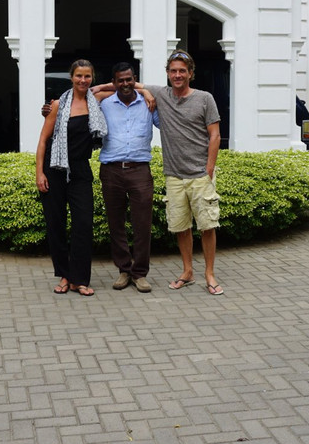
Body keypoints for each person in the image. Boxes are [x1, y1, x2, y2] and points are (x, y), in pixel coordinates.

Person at [149, 50, 223, 295]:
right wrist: (94, 90)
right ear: (168, 74)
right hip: (174, 175)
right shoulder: (162, 94)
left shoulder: (204, 98)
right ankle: (187, 271)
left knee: (207, 226)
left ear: (190, 73)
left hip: (200, 174)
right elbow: (128, 84)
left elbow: (215, 134)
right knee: (181, 226)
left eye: (182, 71)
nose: (177, 75)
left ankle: (209, 274)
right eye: (173, 71)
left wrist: (209, 169)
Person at [36, 59, 107, 296]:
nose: (83, 80)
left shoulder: (95, 102)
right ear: (71, 77)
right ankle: (65, 276)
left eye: (87, 76)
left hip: (80, 170)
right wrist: (39, 173)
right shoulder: (58, 104)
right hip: (54, 169)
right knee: (56, 225)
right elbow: (43, 141)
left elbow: (121, 85)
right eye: (79, 76)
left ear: (92, 78)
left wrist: (146, 92)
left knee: (83, 225)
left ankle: (79, 279)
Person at [97, 63, 160, 293]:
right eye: (120, 80)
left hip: (140, 170)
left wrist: (146, 92)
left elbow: (165, 122)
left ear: (135, 79)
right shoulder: (104, 104)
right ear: (114, 82)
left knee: (142, 224)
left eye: (129, 80)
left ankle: (140, 273)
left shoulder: (148, 104)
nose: (125, 84)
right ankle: (124, 270)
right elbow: (88, 90)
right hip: (111, 170)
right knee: (116, 224)